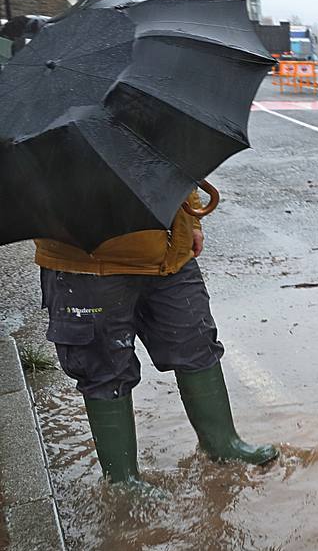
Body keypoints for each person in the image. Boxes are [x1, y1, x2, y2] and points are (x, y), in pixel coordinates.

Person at [36, 187, 277, 487]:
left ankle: (222, 445)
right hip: (85, 264)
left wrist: (193, 220)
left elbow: (173, 158)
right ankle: (123, 481)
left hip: (170, 253)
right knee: (104, 369)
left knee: (197, 342)